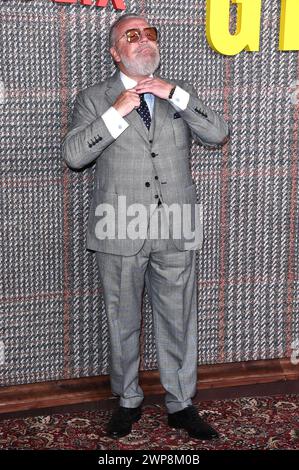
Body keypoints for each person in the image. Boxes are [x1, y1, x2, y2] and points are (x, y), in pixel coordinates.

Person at [62, 13, 229, 440]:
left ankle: (181, 404)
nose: (142, 41)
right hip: (117, 226)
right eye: (130, 36)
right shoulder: (93, 98)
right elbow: (75, 156)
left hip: (176, 226)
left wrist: (176, 94)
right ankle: (128, 400)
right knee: (122, 320)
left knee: (179, 319)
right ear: (115, 52)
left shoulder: (177, 95)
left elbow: (217, 133)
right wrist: (117, 112)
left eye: (149, 34)